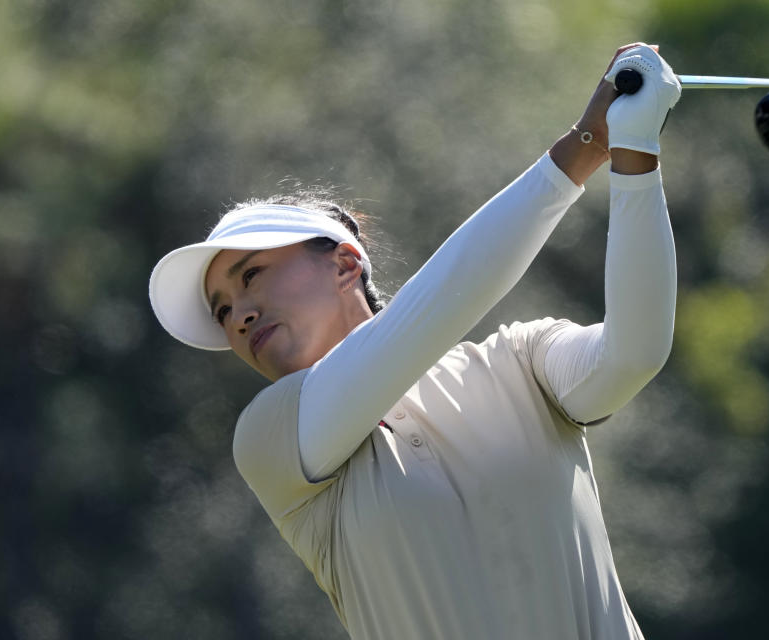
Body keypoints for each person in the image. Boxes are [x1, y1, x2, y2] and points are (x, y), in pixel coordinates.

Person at [149, 42, 681, 640]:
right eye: (221, 311)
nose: (238, 316)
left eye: (251, 276)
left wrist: (636, 153)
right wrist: (583, 149)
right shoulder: (270, 439)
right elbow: (431, 314)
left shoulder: (520, 362)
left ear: (346, 264)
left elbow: (633, 353)